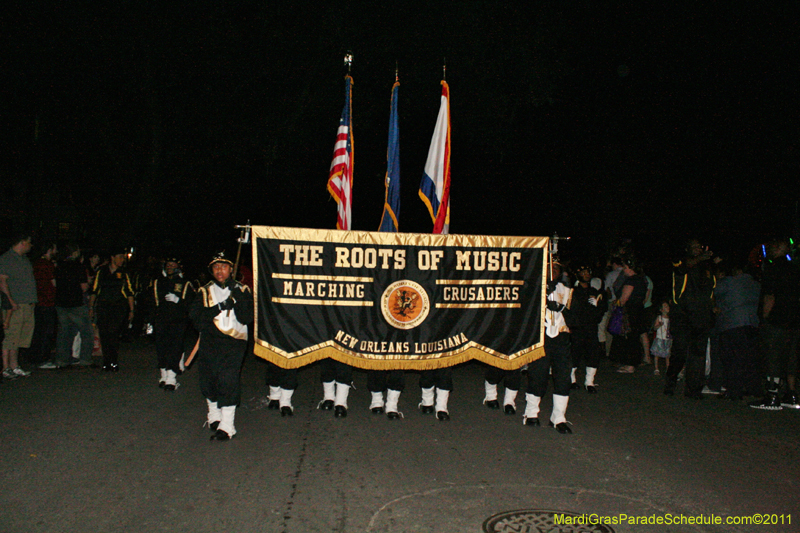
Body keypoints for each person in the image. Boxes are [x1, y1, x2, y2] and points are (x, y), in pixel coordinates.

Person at [189, 251, 253, 441]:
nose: (220, 271)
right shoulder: (204, 291)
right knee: (209, 380)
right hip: (210, 340)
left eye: (224, 267)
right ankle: (214, 416)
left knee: (228, 379)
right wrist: (218, 308)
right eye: (216, 267)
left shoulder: (242, 290)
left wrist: (237, 298)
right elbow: (196, 319)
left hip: (234, 342)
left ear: (231, 269)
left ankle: (227, 426)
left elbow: (247, 317)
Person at [522, 258, 574, 433]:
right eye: (550, 268)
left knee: (563, 378)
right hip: (541, 336)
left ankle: (558, 417)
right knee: (538, 375)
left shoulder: (566, 290)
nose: (553, 272)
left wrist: (564, 310)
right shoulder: (533, 287)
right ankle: (531, 413)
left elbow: (574, 316)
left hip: (561, 338)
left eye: (556, 269)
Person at [663, 239, 717, 399]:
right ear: (687, 249)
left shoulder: (707, 267)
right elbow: (682, 269)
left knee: (698, 354)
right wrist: (702, 257)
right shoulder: (680, 261)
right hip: (682, 315)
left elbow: (711, 289)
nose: (697, 249)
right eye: (693, 247)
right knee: (679, 351)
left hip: (701, 316)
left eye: (699, 247)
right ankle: (671, 381)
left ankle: (693, 389)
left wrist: (713, 307)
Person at [750, 239, 799, 410]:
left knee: (772, 356)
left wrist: (765, 318)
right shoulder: (794, 267)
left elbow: (770, 295)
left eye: (772, 247)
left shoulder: (773, 267)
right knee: (790, 356)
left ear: (778, 248)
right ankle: (791, 394)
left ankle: (772, 395)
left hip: (776, 319)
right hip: (793, 320)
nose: (769, 250)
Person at [713, 261, 760, 401]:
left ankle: (733, 390)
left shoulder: (729, 282)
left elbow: (714, 292)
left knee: (731, 358)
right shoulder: (756, 285)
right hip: (752, 324)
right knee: (747, 358)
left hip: (732, 324)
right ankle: (752, 388)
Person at [48, 243, 94, 368]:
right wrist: (88, 283)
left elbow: (55, 283)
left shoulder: (58, 266)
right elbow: (83, 287)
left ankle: (62, 360)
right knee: (87, 332)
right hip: (76, 302)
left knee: (64, 333)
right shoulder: (78, 266)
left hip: (61, 303)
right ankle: (85, 359)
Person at [89, 249, 135, 372]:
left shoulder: (124, 273)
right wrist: (91, 307)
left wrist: (131, 310)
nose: (122, 260)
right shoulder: (102, 271)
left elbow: (129, 292)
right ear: (112, 257)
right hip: (103, 306)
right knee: (104, 333)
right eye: (120, 257)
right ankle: (106, 361)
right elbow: (94, 289)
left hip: (118, 307)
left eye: (123, 258)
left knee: (113, 332)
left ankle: (113, 361)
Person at [153, 257, 194, 391]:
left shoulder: (185, 283)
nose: (170, 267)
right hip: (161, 320)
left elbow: (192, 304)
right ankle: (163, 375)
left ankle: (171, 378)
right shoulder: (158, 282)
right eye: (168, 265)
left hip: (178, 321)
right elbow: (152, 302)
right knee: (161, 347)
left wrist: (179, 301)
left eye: (173, 265)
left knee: (174, 348)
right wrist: (149, 320)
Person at [0, 232, 37, 379]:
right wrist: (11, 302)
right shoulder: (7, 259)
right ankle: (5, 367)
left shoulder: (24, 259)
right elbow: (2, 281)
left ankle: (14, 366)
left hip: (27, 303)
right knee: (10, 336)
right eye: (29, 243)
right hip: (16, 305)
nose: (31, 246)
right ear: (22, 242)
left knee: (19, 338)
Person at [609, 255, 648, 374]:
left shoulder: (632, 280)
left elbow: (624, 298)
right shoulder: (642, 279)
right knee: (634, 337)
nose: (624, 270)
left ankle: (630, 364)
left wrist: (616, 305)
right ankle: (631, 362)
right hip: (638, 310)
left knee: (630, 338)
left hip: (630, 312)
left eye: (625, 267)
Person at [569, 264, 605, 392]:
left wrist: (597, 306)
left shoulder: (594, 292)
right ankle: (571, 380)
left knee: (593, 354)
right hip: (577, 328)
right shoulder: (572, 292)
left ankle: (589, 382)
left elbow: (602, 310)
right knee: (575, 354)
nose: (586, 275)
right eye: (583, 273)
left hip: (591, 328)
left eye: (588, 273)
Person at [30, 242, 58, 367]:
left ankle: (35, 356)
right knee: (47, 331)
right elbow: (54, 283)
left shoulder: (36, 263)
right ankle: (43, 358)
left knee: (38, 330)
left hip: (38, 301)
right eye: (54, 249)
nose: (56, 251)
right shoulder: (47, 264)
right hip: (48, 301)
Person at [651, 300, 672, 376]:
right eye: (665, 307)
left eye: (667, 306)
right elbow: (655, 328)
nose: (667, 308)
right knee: (657, 354)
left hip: (667, 339)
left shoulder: (670, 318)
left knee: (667, 355)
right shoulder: (659, 317)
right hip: (659, 338)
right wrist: (659, 325)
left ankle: (668, 368)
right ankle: (656, 368)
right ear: (661, 310)